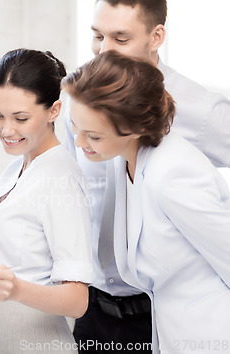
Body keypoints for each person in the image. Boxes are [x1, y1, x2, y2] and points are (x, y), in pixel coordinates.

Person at [64, 1, 230, 352]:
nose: (105, 50)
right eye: (97, 36)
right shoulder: (89, 101)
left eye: (120, 38)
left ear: (156, 37)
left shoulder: (178, 158)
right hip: (107, 307)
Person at [0, 49, 94, 354]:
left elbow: (77, 301)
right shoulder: (16, 169)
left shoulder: (61, 178)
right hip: (5, 336)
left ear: (53, 110)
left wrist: (17, 289)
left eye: (20, 118)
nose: (6, 130)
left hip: (41, 342)